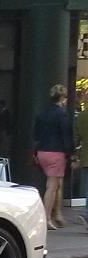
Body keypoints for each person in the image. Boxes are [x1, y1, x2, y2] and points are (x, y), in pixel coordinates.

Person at [34, 84, 78, 230]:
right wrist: (72, 156)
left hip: (42, 152)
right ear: (63, 98)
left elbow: (36, 135)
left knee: (55, 184)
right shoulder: (62, 114)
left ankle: (56, 215)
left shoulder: (42, 114)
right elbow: (67, 136)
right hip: (56, 153)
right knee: (52, 187)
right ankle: (46, 218)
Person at [74, 103, 88, 229]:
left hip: (85, 156)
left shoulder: (81, 116)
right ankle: (86, 213)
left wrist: (76, 156)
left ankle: (86, 213)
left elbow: (77, 139)